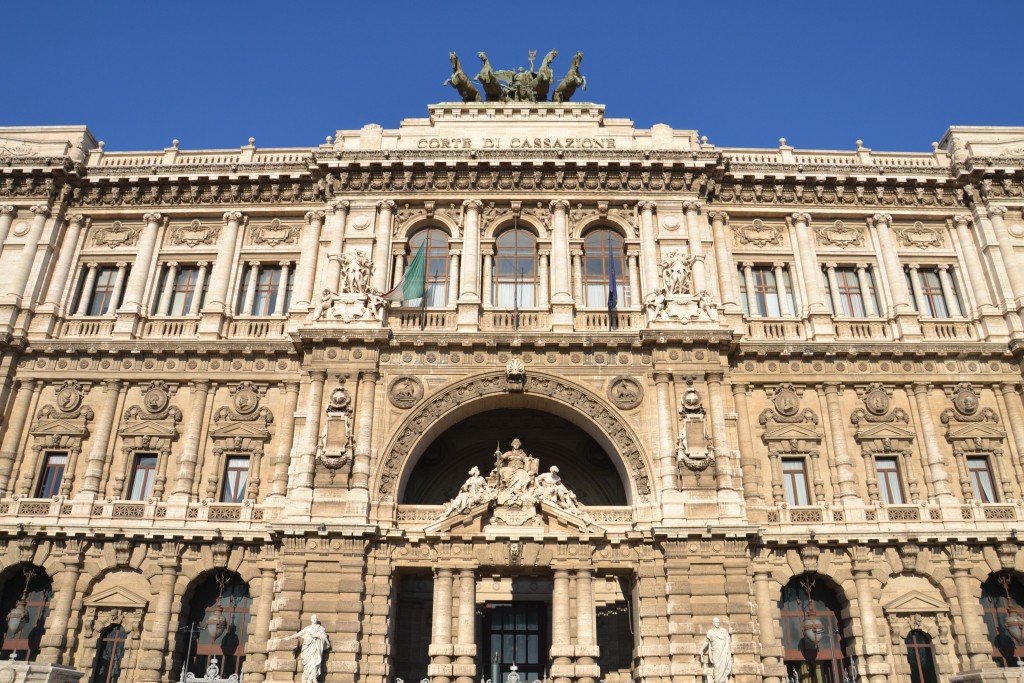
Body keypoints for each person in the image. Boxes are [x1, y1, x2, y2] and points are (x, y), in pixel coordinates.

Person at [287, 615, 331, 683]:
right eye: (313, 618)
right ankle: (308, 678)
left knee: (314, 663)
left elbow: (324, 636)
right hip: (307, 648)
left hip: (316, 648)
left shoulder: (320, 628)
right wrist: (290, 637)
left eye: (316, 618)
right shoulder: (307, 628)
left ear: (317, 619)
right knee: (307, 665)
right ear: (311, 619)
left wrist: (316, 635)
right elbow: (299, 634)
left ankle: (314, 679)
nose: (314, 619)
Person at [699, 618, 732, 683]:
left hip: (723, 652)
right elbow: (706, 642)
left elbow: (728, 639)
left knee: (723, 667)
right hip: (715, 653)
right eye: (716, 622)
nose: (717, 624)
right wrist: (701, 650)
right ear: (713, 623)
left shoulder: (723, 631)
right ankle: (717, 681)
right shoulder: (710, 632)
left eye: (718, 622)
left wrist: (727, 648)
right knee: (716, 666)